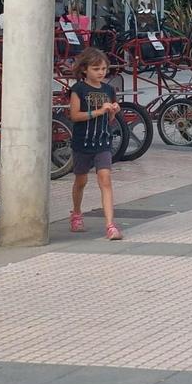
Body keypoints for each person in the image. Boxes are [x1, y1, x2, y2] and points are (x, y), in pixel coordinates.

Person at [67, 47, 123, 241]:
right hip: (82, 142)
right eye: (96, 68)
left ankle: (110, 225)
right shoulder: (79, 90)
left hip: (103, 141)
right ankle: (76, 212)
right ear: (85, 70)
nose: (101, 72)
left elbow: (110, 121)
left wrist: (113, 110)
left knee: (105, 179)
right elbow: (74, 115)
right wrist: (98, 111)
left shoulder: (108, 90)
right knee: (81, 181)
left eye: (104, 69)